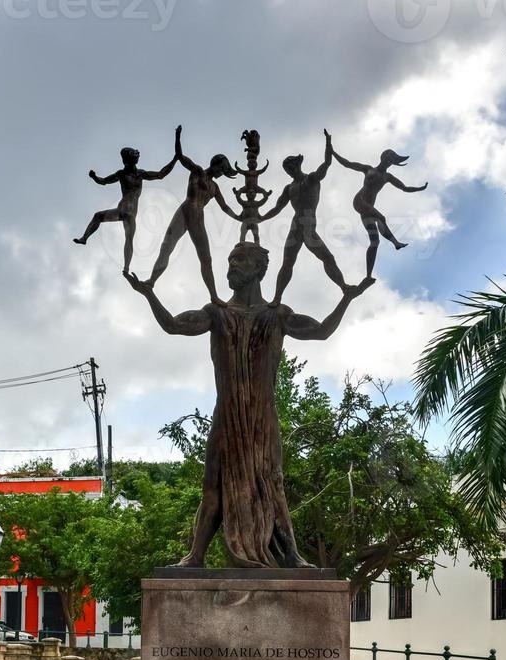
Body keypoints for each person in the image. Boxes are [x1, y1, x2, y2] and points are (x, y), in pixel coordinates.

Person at [124, 243, 372, 567]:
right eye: (229, 260)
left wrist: (347, 298)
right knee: (212, 484)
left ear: (259, 269)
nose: (231, 266)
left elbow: (322, 331)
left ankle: (293, 556)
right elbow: (173, 325)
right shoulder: (217, 314)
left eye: (239, 260)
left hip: (261, 416)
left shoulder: (277, 315)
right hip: (226, 414)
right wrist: (148, 294)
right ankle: (195, 555)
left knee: (272, 481)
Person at [147, 127, 240, 306]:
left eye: (224, 170)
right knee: (167, 246)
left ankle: (213, 296)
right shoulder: (197, 171)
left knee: (206, 258)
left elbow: (224, 207)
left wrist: (238, 217)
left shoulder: (215, 188)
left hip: (198, 217)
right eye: (221, 168)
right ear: (216, 164)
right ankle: (151, 281)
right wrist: (177, 136)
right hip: (185, 211)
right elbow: (181, 156)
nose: (221, 173)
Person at [261, 131, 349, 305]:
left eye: (291, 167)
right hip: (295, 226)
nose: (290, 170)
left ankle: (344, 287)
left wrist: (328, 143)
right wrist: (261, 218)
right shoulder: (289, 188)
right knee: (287, 262)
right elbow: (277, 207)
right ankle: (277, 298)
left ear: (298, 165)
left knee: (327, 257)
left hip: (308, 224)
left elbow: (327, 163)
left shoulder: (312, 179)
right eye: (287, 169)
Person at [73, 134, 179, 273]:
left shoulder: (141, 174)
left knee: (128, 239)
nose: (126, 163)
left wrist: (175, 159)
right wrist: (94, 177)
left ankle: (126, 267)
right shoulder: (121, 174)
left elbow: (161, 174)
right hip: (121, 210)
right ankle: (84, 238)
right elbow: (103, 181)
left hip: (130, 213)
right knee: (98, 216)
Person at [327, 132, 428, 277]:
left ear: (393, 162)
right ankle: (396, 242)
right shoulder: (368, 169)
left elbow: (404, 188)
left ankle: (368, 275)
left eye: (392, 159)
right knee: (381, 217)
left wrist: (420, 188)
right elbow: (348, 164)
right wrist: (332, 151)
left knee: (375, 242)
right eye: (388, 157)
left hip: (367, 210)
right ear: (383, 157)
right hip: (360, 201)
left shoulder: (388, 177)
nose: (389, 160)